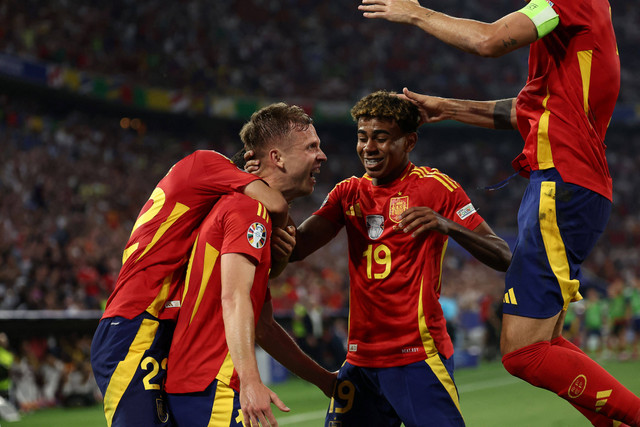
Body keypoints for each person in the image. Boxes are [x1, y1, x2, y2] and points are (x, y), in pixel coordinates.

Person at [358, 0, 640, 425]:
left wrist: (415, 12)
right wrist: (447, 107)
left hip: (559, 185)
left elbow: (487, 41)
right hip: (566, 185)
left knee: (523, 352)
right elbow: (523, 111)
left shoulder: (566, 3)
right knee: (546, 342)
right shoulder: (571, 34)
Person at [284, 91, 511, 426]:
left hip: (417, 357)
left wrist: (446, 225)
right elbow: (295, 249)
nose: (369, 148)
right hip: (360, 363)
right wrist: (278, 191)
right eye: (362, 138)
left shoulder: (438, 189)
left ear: (409, 142)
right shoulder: (348, 193)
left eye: (381, 138)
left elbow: (504, 255)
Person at [90, 134, 289, 425]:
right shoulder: (207, 162)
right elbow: (276, 203)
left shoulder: (207, 212)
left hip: (156, 325)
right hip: (135, 322)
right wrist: (279, 233)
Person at [165, 103, 335, 427]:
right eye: (312, 147)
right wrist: (250, 381)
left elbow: (263, 326)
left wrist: (326, 381)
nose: (322, 155)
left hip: (198, 384)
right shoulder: (248, 209)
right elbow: (233, 298)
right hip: (214, 385)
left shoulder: (249, 212)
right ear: (277, 158)